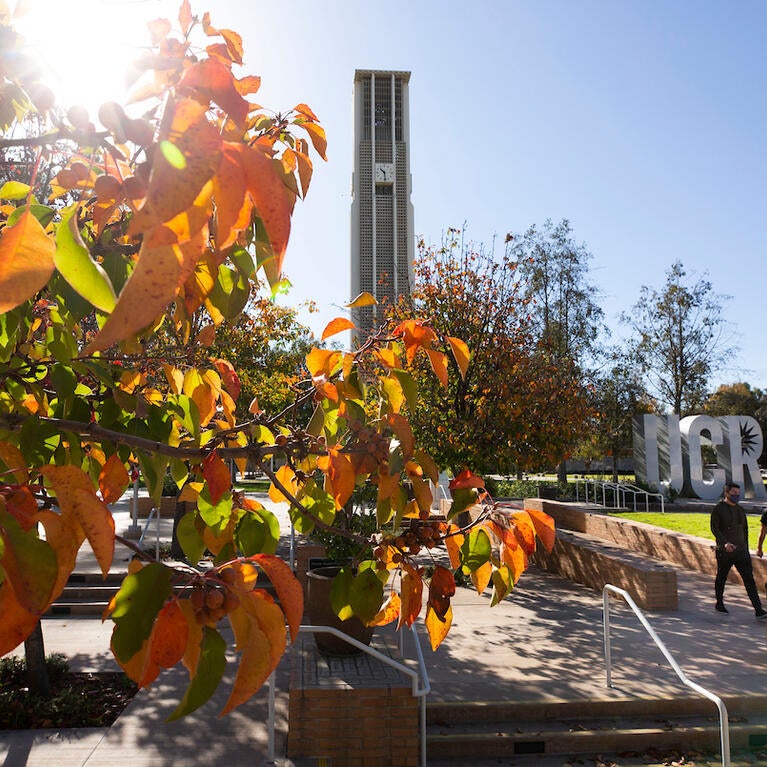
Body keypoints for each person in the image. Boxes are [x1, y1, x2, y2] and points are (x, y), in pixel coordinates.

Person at [710, 481, 767, 619]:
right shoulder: (719, 509)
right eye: (733, 493)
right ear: (726, 493)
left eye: (738, 493)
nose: (736, 495)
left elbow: (745, 530)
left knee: (749, 580)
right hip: (725, 552)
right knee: (721, 577)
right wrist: (724, 544)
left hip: (741, 552)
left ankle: (758, 609)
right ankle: (719, 603)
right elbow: (715, 529)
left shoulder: (740, 510)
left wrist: (746, 548)